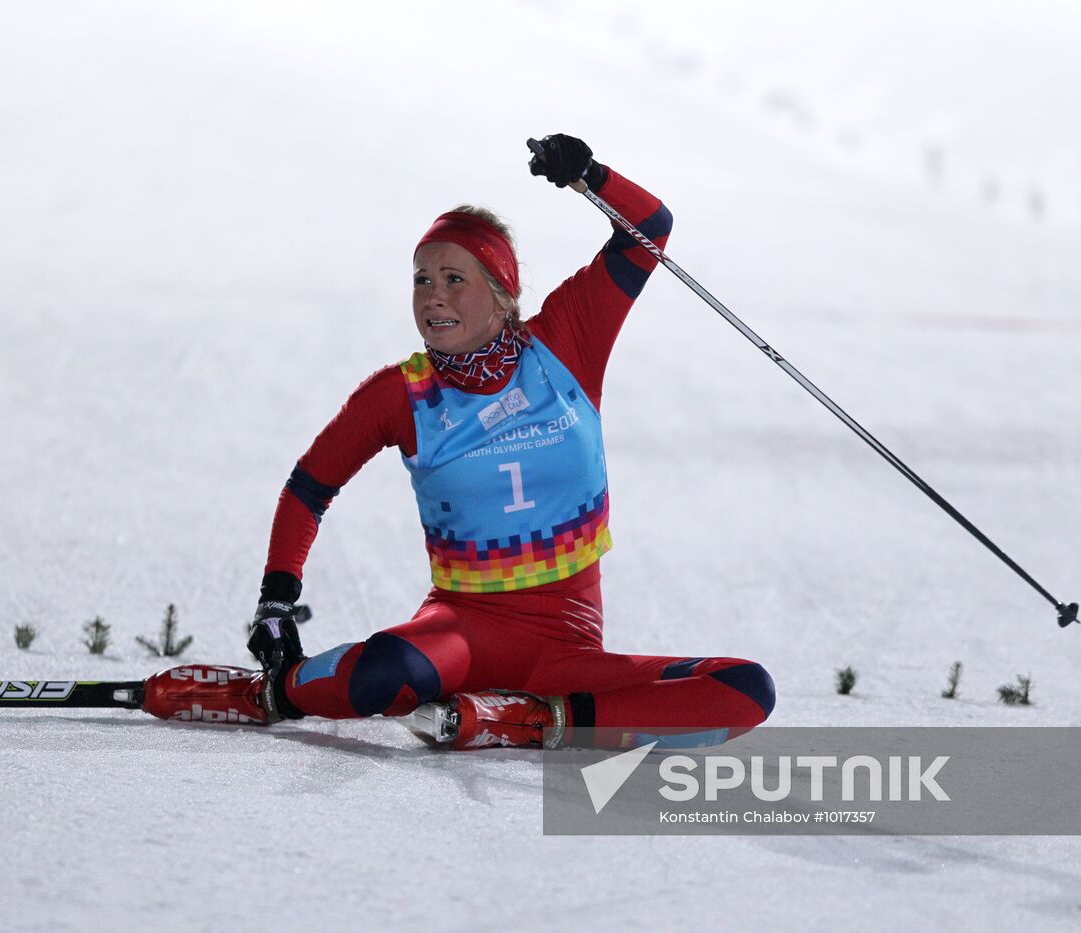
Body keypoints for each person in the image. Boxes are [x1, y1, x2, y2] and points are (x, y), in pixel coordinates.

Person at [142, 134, 774, 749]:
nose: (432, 297)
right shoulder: (400, 394)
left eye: (453, 279)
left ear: (502, 295)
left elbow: (651, 229)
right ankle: (268, 695)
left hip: (566, 649)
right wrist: (276, 599)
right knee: (381, 676)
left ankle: (528, 720)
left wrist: (591, 175)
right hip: (460, 633)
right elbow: (310, 486)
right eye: (421, 280)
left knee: (745, 688)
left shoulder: (566, 343)